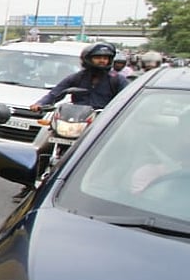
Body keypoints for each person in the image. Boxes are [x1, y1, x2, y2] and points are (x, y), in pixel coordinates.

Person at [13, 41, 128, 201]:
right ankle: (29, 185)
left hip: (100, 125)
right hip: (74, 121)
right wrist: (40, 104)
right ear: (88, 59)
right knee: (44, 149)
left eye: (106, 58)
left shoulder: (117, 80)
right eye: (98, 57)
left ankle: (101, 193)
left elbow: (126, 100)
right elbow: (55, 93)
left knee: (110, 156)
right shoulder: (77, 77)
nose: (102, 61)